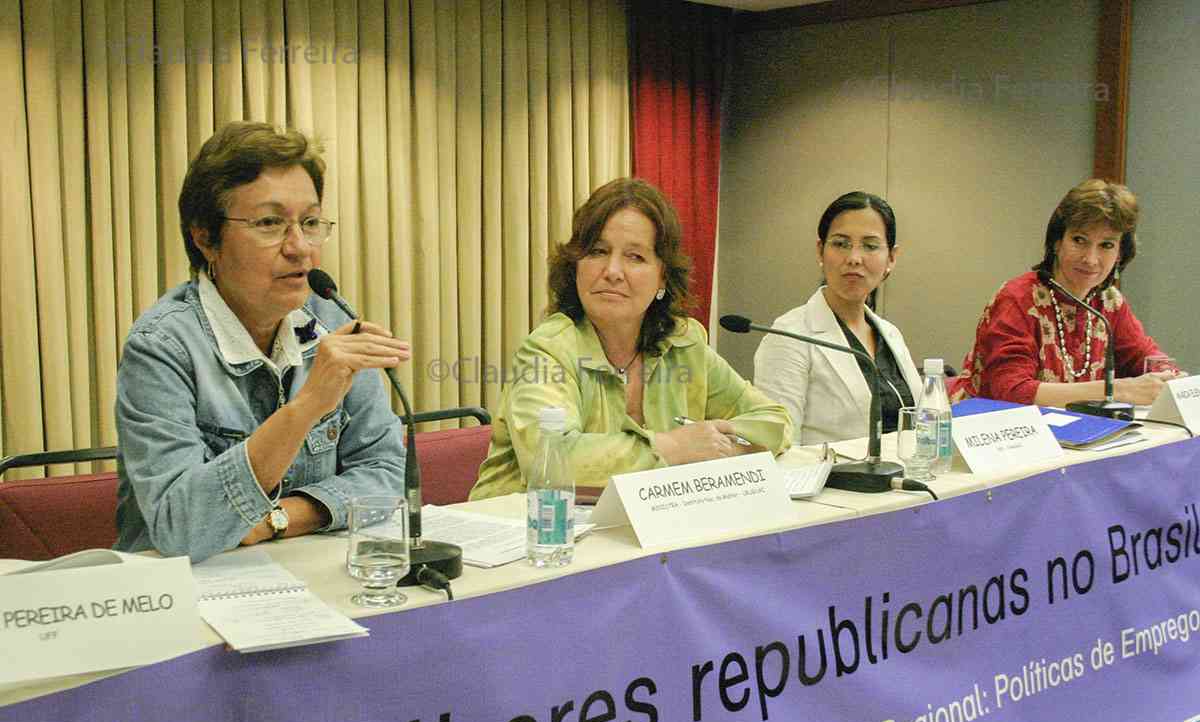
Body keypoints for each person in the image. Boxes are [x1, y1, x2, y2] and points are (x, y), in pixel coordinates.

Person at [114, 121, 410, 562]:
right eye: (270, 223)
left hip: (304, 572)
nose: (300, 248)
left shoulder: (331, 321)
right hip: (185, 593)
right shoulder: (161, 346)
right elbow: (183, 528)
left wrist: (279, 518)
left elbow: (385, 474)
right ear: (205, 238)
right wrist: (308, 405)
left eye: (310, 222)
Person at [469, 177, 791, 500]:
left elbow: (775, 421)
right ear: (575, 265)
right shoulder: (548, 349)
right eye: (598, 251)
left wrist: (722, 449)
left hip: (638, 529)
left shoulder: (684, 343)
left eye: (635, 257)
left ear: (663, 276)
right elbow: (554, 461)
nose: (612, 271)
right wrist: (674, 446)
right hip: (525, 533)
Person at [949, 179, 1175, 407]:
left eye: (1106, 245)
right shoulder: (1018, 298)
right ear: (1057, 242)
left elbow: (1145, 356)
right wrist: (1115, 390)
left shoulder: (1109, 302)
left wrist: (1168, 377)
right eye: (1079, 240)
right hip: (996, 431)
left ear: (1120, 254)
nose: (1090, 259)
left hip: (1072, 433)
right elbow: (1011, 391)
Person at [752, 191, 922, 445]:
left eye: (870, 246)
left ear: (891, 258)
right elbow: (780, 446)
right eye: (841, 244)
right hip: (830, 482)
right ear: (820, 251)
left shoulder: (890, 334)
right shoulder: (789, 335)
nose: (854, 258)